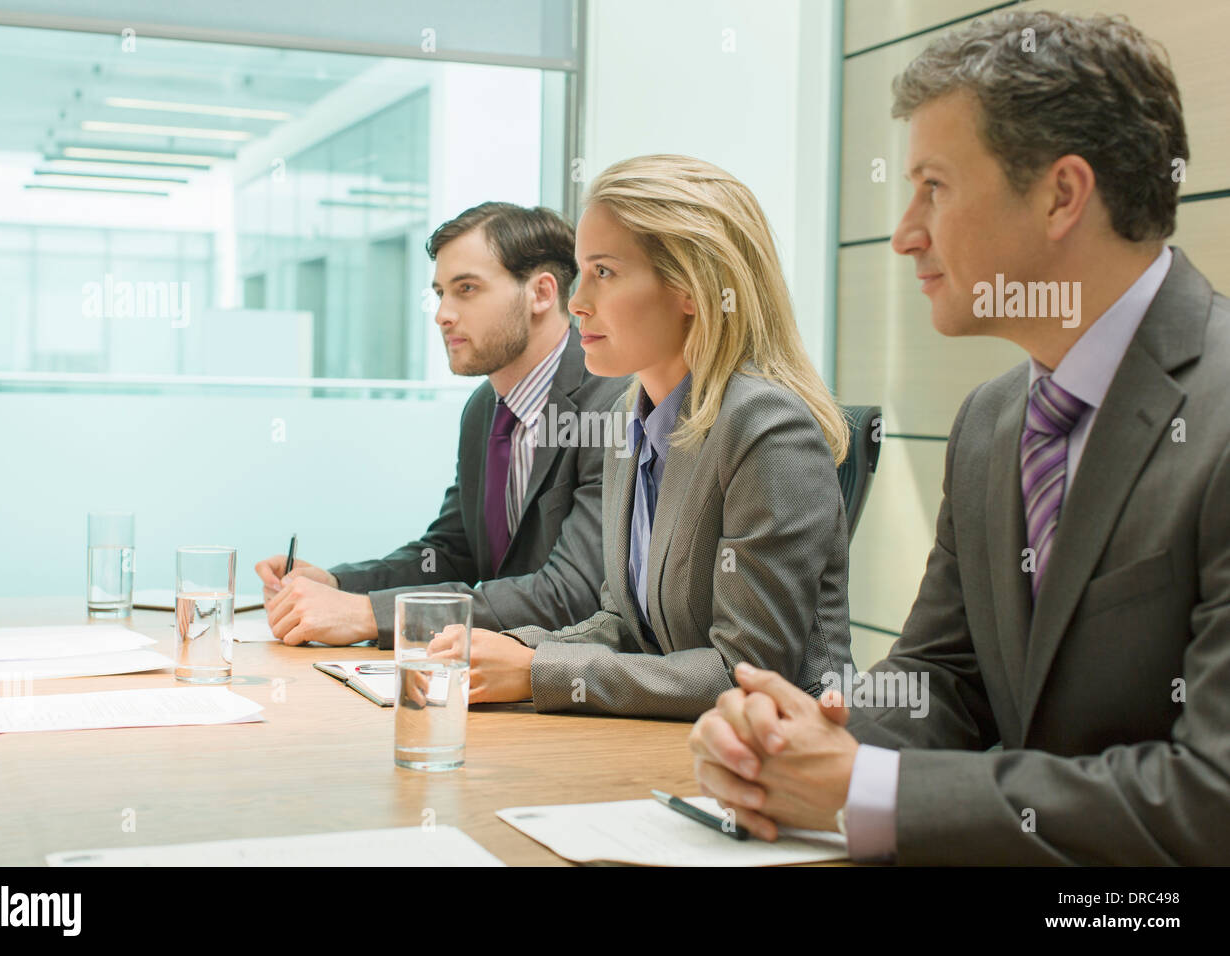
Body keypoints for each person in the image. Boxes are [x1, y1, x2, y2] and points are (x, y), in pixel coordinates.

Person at [688, 10, 1230, 864]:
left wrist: (863, 788)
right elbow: (944, 680)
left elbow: (1211, 797)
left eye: (933, 187)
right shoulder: (990, 421)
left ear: (1061, 194)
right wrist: (791, 738)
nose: (906, 232)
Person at [430, 155, 855, 720]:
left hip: (770, 770)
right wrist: (522, 647)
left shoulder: (768, 428)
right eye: (582, 272)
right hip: (668, 748)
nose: (577, 302)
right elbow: (624, 626)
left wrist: (537, 671)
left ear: (693, 287)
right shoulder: (635, 416)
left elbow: (744, 672)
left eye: (603, 272)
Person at [255, 202, 630, 648]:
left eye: (466, 289)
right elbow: (452, 554)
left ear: (542, 294)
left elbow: (571, 594)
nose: (442, 315)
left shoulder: (611, 405)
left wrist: (369, 614)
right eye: (440, 294)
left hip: (572, 687)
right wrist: (338, 585)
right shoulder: (484, 408)